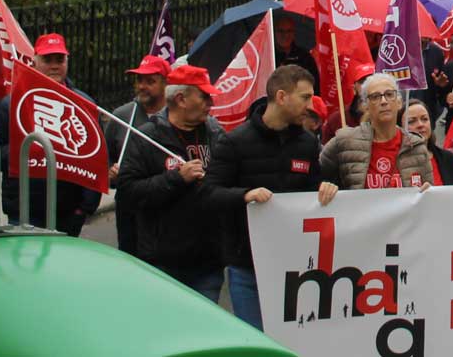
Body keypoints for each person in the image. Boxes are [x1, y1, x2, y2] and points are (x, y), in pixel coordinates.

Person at [206, 65, 334, 329]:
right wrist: (244, 195)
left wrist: (325, 188)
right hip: (248, 265)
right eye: (305, 97)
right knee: (256, 340)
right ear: (281, 96)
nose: (310, 105)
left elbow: (313, 188)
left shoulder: (307, 143)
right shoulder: (234, 142)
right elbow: (208, 194)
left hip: (295, 264)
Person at [114, 65, 228, 299]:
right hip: (163, 263)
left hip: (208, 262)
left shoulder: (217, 135)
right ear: (181, 99)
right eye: (204, 96)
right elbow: (128, 192)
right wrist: (176, 178)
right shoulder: (147, 138)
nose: (211, 103)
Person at [0, 32, 101, 235]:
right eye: (47, 59)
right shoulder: (11, 105)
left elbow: (95, 158)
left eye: (59, 59)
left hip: (68, 211)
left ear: (67, 61)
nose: (54, 65)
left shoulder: (84, 104)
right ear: (34, 62)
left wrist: (85, 208)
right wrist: (27, 151)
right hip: (24, 211)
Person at [106, 53, 170, 256]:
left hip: (166, 207)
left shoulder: (177, 116)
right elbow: (105, 158)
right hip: (129, 208)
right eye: (139, 80)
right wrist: (111, 172)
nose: (142, 86)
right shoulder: (122, 116)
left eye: (150, 81)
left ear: (166, 84)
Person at [321, 72, 431, 189]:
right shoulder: (345, 141)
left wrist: (427, 192)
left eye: (389, 94)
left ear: (399, 103)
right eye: (375, 97)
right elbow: (315, 174)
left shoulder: (416, 146)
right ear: (365, 106)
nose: (383, 101)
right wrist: (326, 187)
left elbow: (428, 195)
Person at [404, 99, 453, 185]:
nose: (420, 125)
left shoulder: (450, 160)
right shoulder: (393, 161)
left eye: (424, 119)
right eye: (411, 121)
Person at [272, 12, 319, 84]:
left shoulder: (305, 57)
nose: (285, 35)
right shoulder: (269, 57)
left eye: (289, 31)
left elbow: (314, 84)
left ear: (294, 33)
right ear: (274, 33)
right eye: (281, 31)